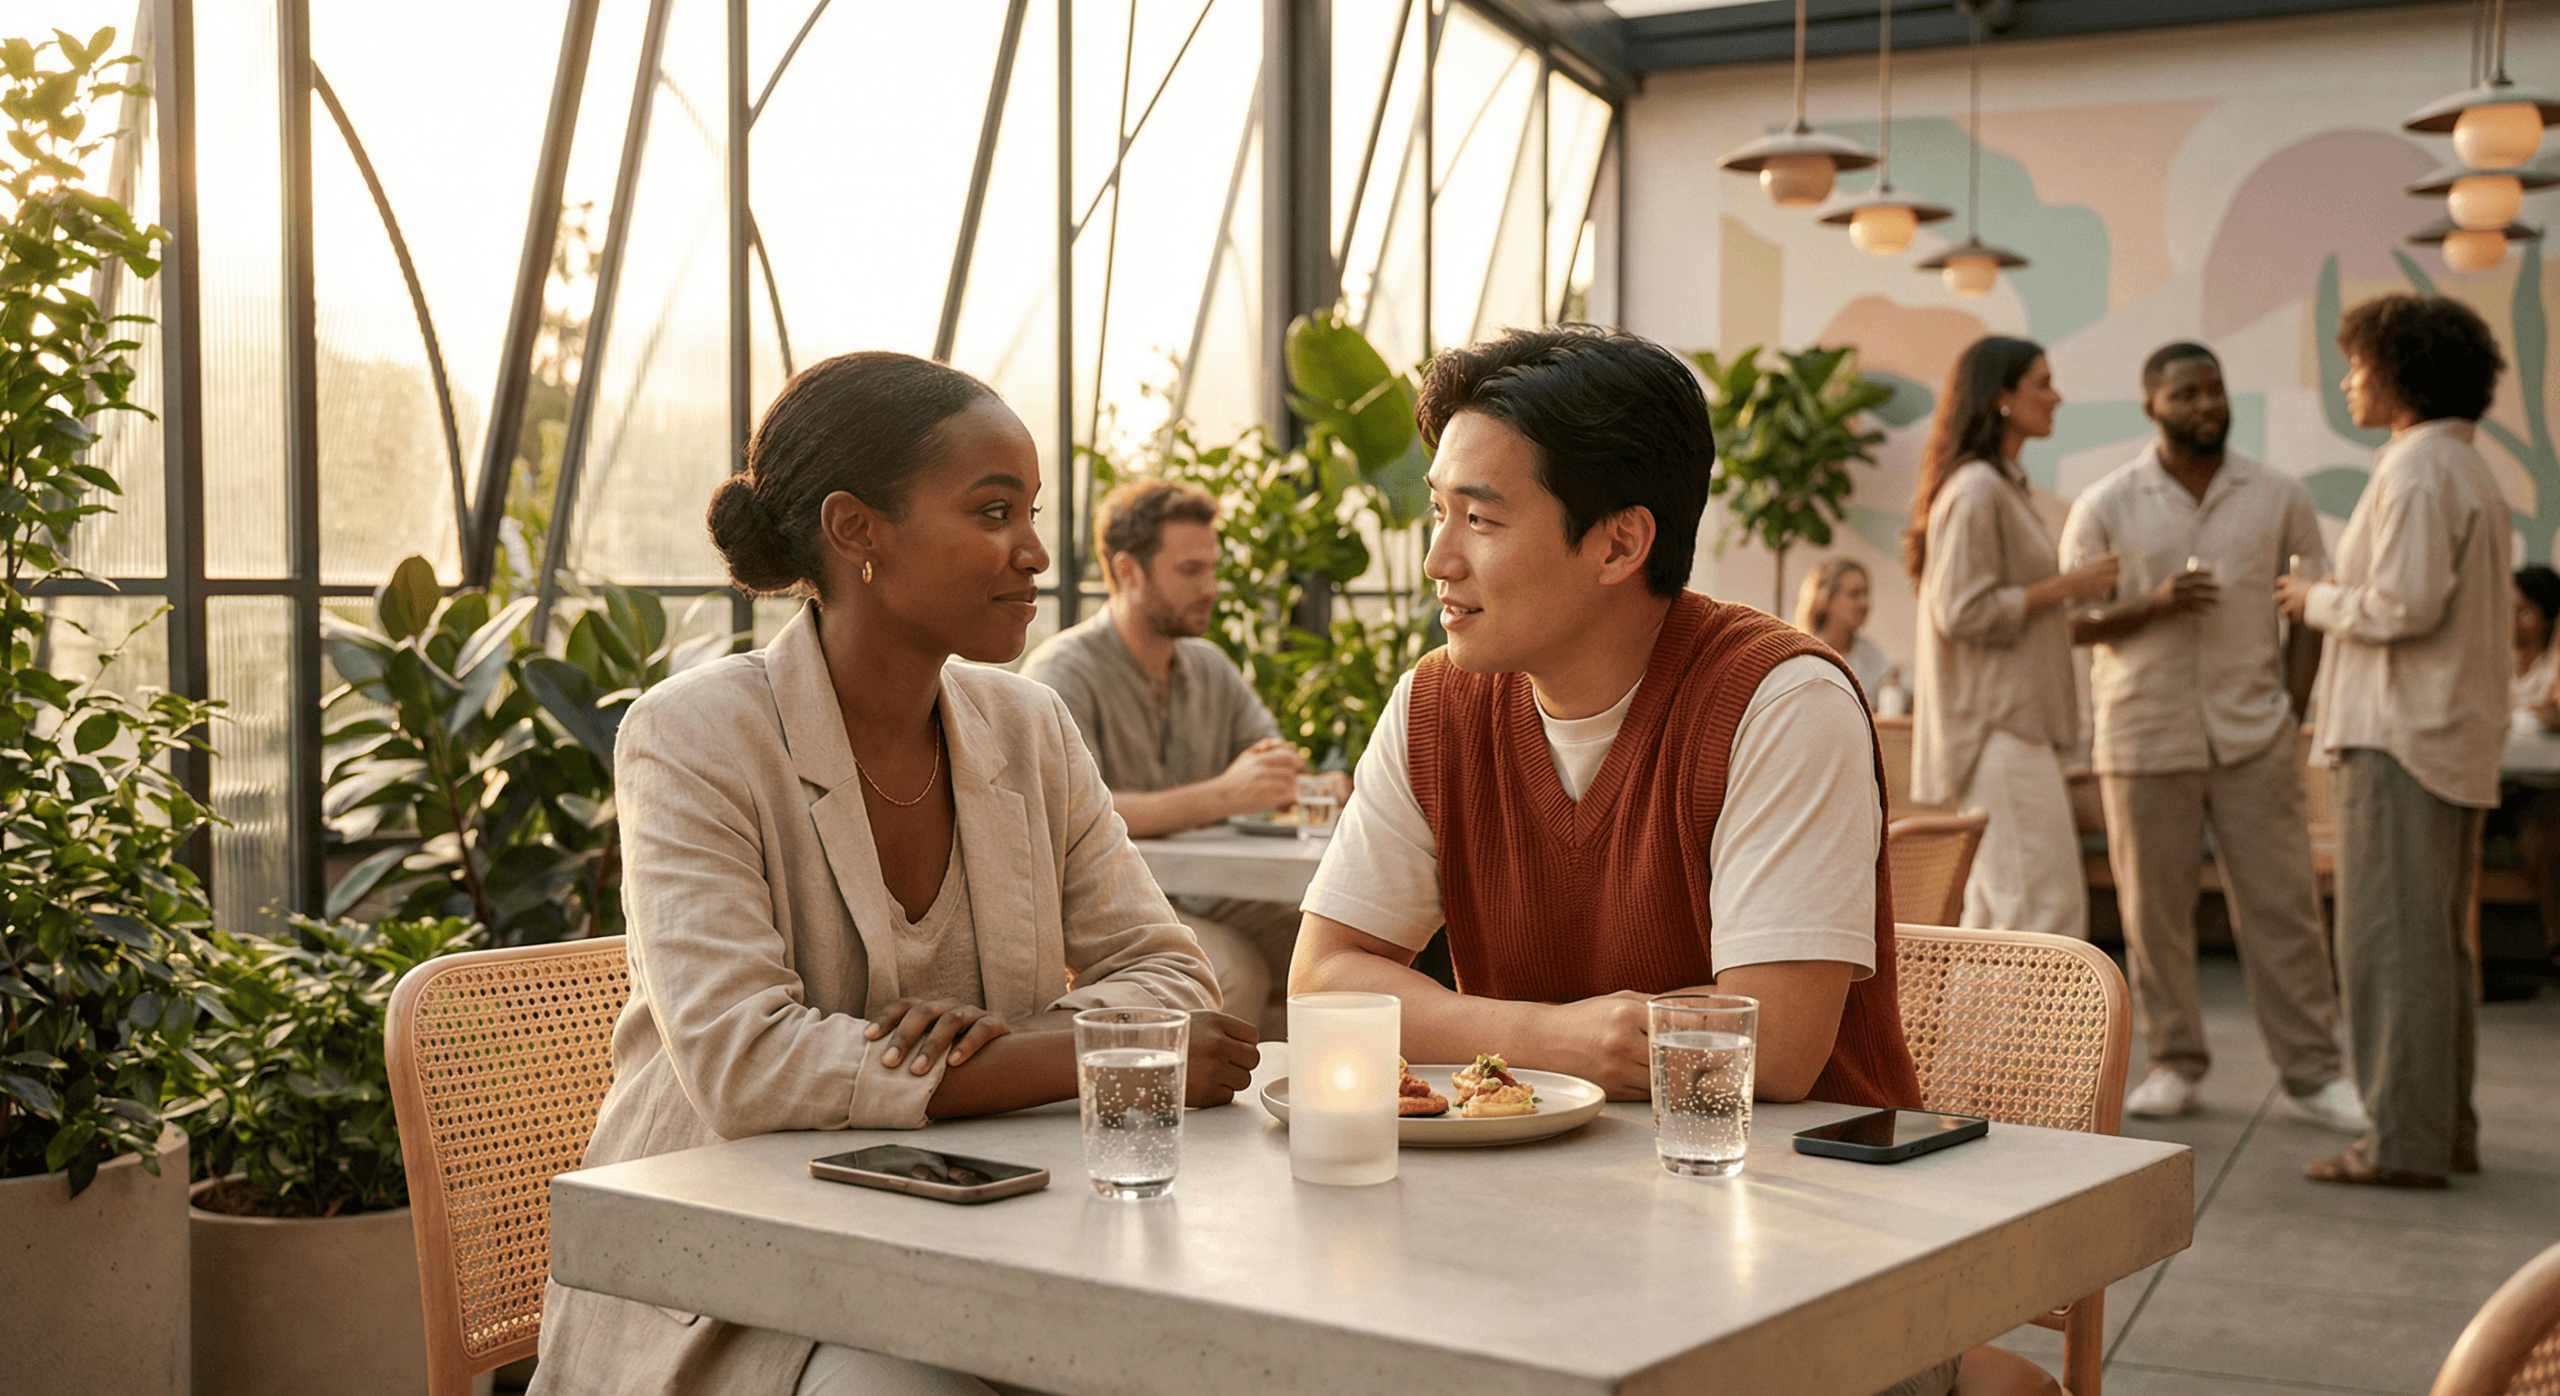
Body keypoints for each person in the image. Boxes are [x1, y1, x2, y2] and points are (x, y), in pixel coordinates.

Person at [1288, 324, 2052, 1396]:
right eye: (1436, 511)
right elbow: (1325, 982)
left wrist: (1480, 1029)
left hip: (1802, 1249)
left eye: (1481, 518)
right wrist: (1564, 1036)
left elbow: (1771, 1046)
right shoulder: (1436, 702)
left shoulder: (1778, 701)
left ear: (1618, 542)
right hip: (1536, 1232)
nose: (1436, 560)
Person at [531, 352, 1258, 1396]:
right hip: (739, 1279)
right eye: (993, 509)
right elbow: (749, 1064)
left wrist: (1023, 1038)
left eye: (1031, 510)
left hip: (986, 1240)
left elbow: (1171, 979)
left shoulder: (1029, 726)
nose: (1036, 552)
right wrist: (1070, 1055)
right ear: (854, 530)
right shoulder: (694, 736)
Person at [2059, 341, 2365, 1133]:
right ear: (2151, 405)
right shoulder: (2107, 502)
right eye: (2188, 394)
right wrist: (2153, 604)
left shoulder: (2277, 494)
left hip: (2252, 734)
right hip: (2141, 734)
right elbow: (2072, 622)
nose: (2207, 406)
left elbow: (2307, 601)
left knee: (2285, 909)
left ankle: (2315, 1074)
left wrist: (2290, 708)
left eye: (2216, 390)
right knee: (2152, 915)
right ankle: (2174, 1063)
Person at [2278, 294, 2510, 1189]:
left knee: (2389, 949)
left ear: (2401, 372)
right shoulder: (2463, 467)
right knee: (2436, 947)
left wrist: (2313, 603)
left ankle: (2401, 1144)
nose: (2349, 380)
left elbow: (2401, 608)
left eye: (2359, 364)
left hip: (2399, 737)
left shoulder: (2416, 471)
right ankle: (2443, 1128)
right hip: (2443, 735)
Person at [1021, 477, 1343, 1034]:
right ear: (1128, 571)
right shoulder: (1062, 674)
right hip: (1109, 910)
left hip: (1212, 890)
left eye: (1212, 568)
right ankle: (1207, 1117)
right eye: (1190, 571)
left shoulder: (1209, 666)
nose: (1212, 587)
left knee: (1342, 943)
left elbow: (1275, 767)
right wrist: (1223, 795)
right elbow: (1066, 817)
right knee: (1230, 971)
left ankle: (1339, 1106)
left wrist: (1309, 783)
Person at [1905, 337, 2120, 940]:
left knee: (2003, 912)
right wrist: (2063, 585)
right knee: (2040, 913)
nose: (2057, 397)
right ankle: (2022, 1037)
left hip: (2014, 728)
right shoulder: (1976, 491)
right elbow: (1959, 611)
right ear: (2002, 398)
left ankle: (1971, 1038)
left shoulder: (2000, 485)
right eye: (2042, 383)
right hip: (1998, 731)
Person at [1794, 556, 1900, 709]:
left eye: (1866, 593)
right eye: (1854, 594)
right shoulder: (1803, 655)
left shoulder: (1872, 657)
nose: (1864, 603)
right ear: (1826, 599)